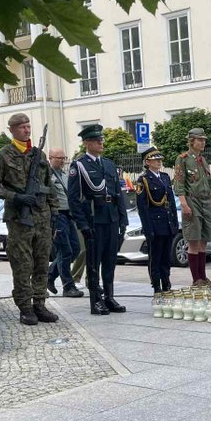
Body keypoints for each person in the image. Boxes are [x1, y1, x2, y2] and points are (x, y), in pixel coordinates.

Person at [0, 113, 59, 326]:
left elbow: (49, 186)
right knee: (22, 264)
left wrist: (55, 212)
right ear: (13, 130)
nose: (27, 130)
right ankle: (25, 307)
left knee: (42, 262)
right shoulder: (2, 156)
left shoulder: (39, 155)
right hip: (19, 219)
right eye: (22, 127)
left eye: (28, 126)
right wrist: (15, 196)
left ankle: (40, 304)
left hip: (42, 217)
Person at [67, 124, 129, 315]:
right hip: (94, 220)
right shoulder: (79, 166)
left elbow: (118, 193)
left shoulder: (109, 164)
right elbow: (74, 198)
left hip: (110, 218)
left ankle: (109, 297)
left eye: (101, 139)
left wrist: (122, 219)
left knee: (110, 260)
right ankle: (96, 301)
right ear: (86, 143)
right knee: (94, 262)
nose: (100, 143)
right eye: (96, 140)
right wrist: (82, 224)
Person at [174, 127, 211, 286]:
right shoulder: (183, 159)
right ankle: (196, 279)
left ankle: (203, 277)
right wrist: (184, 204)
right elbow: (179, 183)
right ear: (192, 141)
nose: (203, 142)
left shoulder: (203, 159)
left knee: (204, 239)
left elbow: (208, 181)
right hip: (193, 201)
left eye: (204, 140)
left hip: (206, 201)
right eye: (200, 140)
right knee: (194, 239)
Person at [136, 147, 179, 294]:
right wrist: (148, 229)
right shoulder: (143, 180)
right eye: (156, 160)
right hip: (155, 223)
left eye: (160, 159)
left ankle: (166, 281)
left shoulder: (165, 177)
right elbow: (143, 207)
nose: (159, 162)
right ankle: (156, 285)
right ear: (147, 162)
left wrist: (174, 221)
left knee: (166, 256)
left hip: (167, 222)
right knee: (155, 257)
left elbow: (171, 201)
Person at [46, 147, 84, 298]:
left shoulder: (64, 174)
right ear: (50, 158)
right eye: (59, 158)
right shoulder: (46, 174)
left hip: (68, 215)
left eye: (64, 158)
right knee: (65, 251)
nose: (63, 161)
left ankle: (49, 276)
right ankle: (68, 286)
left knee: (75, 249)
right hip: (57, 215)